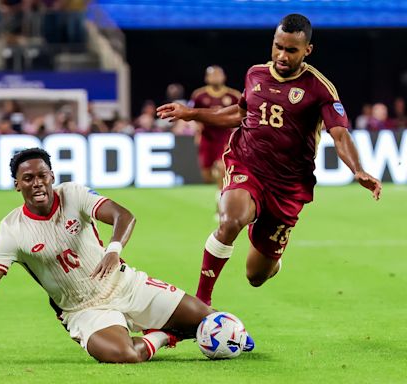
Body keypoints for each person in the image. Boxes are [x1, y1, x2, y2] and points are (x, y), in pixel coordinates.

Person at [0, 148, 253, 369]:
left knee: (211, 320)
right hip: (83, 309)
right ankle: (167, 335)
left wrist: (113, 251)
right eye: (28, 179)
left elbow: (124, 216)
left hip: (124, 283)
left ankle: (222, 335)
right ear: (17, 185)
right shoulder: (12, 231)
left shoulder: (75, 195)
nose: (37, 183)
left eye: (42, 175)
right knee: (125, 355)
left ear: (52, 175)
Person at [157, 14, 382, 306]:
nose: (281, 56)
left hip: (288, 186)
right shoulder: (255, 74)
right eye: (278, 47)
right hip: (247, 164)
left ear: (307, 51)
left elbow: (339, 135)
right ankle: (201, 304)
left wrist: (359, 170)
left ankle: (271, 252)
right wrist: (191, 113)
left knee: (256, 276)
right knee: (230, 221)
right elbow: (239, 114)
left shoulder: (319, 89)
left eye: (291, 50)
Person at [190, 66, 241, 191]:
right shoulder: (199, 95)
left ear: (224, 77)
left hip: (225, 137)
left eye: (218, 74)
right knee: (206, 175)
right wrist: (196, 129)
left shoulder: (234, 95)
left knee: (222, 167)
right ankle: (218, 186)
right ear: (207, 78)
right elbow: (192, 115)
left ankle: (221, 196)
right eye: (213, 75)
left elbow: (242, 115)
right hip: (207, 138)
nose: (216, 77)